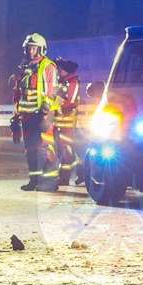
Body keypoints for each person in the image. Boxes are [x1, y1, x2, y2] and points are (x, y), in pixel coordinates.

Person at [14, 33, 58, 192]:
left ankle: (50, 182)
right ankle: (34, 180)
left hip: (43, 115)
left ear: (41, 49)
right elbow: (18, 91)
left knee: (45, 148)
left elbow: (52, 90)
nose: (30, 51)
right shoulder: (24, 67)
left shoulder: (48, 66)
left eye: (33, 48)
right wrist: (16, 112)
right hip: (27, 115)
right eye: (28, 48)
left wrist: (45, 109)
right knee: (30, 149)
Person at [52, 57, 84, 188]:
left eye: (60, 69)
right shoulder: (62, 83)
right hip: (60, 123)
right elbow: (56, 103)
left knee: (67, 151)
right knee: (67, 151)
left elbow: (69, 102)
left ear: (66, 70)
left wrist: (58, 103)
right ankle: (81, 173)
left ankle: (65, 177)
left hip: (68, 124)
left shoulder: (72, 83)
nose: (58, 71)